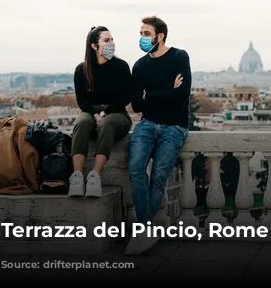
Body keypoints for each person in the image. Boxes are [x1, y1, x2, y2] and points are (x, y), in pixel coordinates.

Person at [125, 16, 191, 255]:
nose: (141, 37)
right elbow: (136, 105)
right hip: (147, 123)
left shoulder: (179, 57)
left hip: (175, 126)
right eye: (141, 33)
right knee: (135, 168)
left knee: (160, 176)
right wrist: (166, 93)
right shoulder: (140, 66)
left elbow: (182, 94)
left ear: (159, 36)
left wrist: (150, 95)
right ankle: (145, 231)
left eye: (145, 33)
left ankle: (141, 231)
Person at [69, 26, 133, 198]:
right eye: (106, 40)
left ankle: (95, 175)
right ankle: (76, 177)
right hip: (90, 111)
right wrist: (95, 114)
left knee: (107, 124)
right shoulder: (82, 70)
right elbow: (82, 101)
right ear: (94, 46)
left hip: (117, 112)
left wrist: (105, 113)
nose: (111, 43)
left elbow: (127, 96)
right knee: (81, 123)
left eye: (112, 39)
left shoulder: (121, 66)